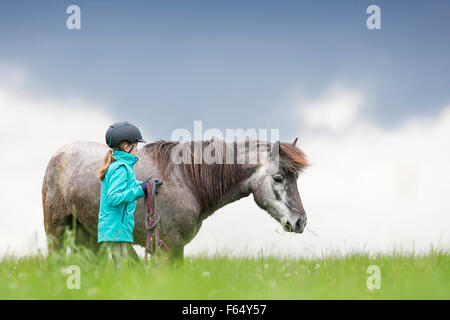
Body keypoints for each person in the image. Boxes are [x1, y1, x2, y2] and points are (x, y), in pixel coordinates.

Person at [97, 121, 161, 265]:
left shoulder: (121, 166)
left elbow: (128, 186)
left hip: (117, 231)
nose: (137, 150)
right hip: (116, 233)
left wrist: (146, 184)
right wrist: (141, 190)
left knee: (131, 271)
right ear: (127, 147)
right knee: (129, 273)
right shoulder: (121, 168)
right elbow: (113, 198)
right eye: (136, 146)